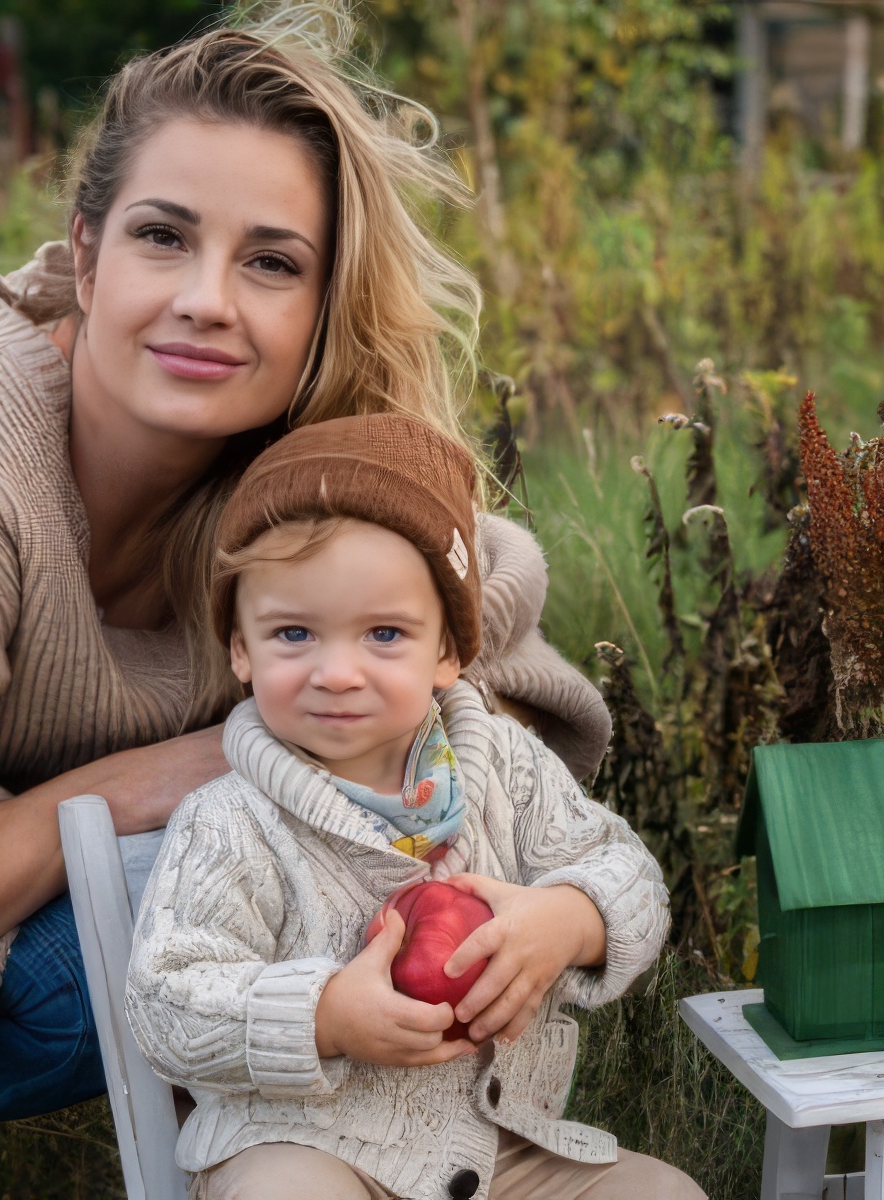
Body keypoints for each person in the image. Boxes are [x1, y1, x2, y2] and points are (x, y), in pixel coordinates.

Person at [0, 6, 609, 1124]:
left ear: (322, 307)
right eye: (163, 237)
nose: (208, 299)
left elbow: (504, 672)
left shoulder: (305, 457)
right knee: (154, 886)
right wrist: (172, 774)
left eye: (270, 261)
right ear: (88, 254)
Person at [125, 414, 705, 1200]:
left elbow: (630, 874)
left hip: (497, 1155)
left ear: (448, 651)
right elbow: (165, 998)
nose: (337, 672)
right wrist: (323, 1015)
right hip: (302, 1144)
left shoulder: (505, 769)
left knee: (663, 1194)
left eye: (385, 634)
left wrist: (569, 919)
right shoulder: (231, 821)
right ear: (239, 647)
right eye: (293, 632)